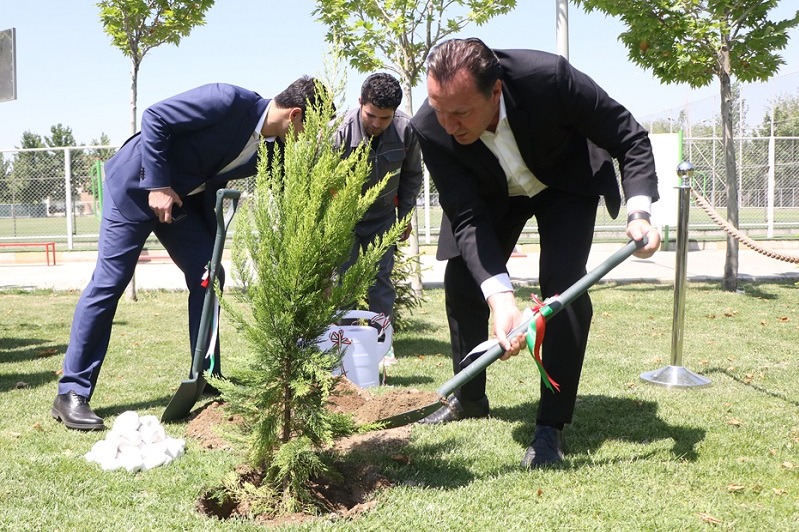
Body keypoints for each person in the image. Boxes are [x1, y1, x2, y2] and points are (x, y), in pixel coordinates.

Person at [410, 38, 661, 468]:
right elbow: (467, 216)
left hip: (563, 183)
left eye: (461, 113)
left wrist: (640, 212)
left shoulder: (550, 79)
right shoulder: (430, 128)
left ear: (496, 92)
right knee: (464, 280)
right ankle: (468, 399)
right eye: (439, 109)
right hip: (492, 196)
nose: (449, 125)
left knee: (563, 293)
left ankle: (550, 427)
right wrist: (500, 298)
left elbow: (629, 136)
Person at [51, 77, 324, 430]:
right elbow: (155, 118)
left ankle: (206, 374)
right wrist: (159, 186)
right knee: (110, 283)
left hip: (180, 204)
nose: (311, 137)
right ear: (295, 114)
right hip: (136, 189)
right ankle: (71, 393)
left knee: (209, 274)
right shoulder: (227, 101)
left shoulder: (276, 148)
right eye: (312, 128)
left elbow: (291, 193)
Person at [334, 73, 423, 329]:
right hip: (344, 221)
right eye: (370, 115)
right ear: (360, 102)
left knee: (381, 280)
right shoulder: (338, 132)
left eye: (385, 118)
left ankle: (382, 341)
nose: (376, 123)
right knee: (344, 282)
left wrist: (404, 217)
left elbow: (412, 175)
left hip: (383, 218)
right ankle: (344, 343)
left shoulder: (406, 129)